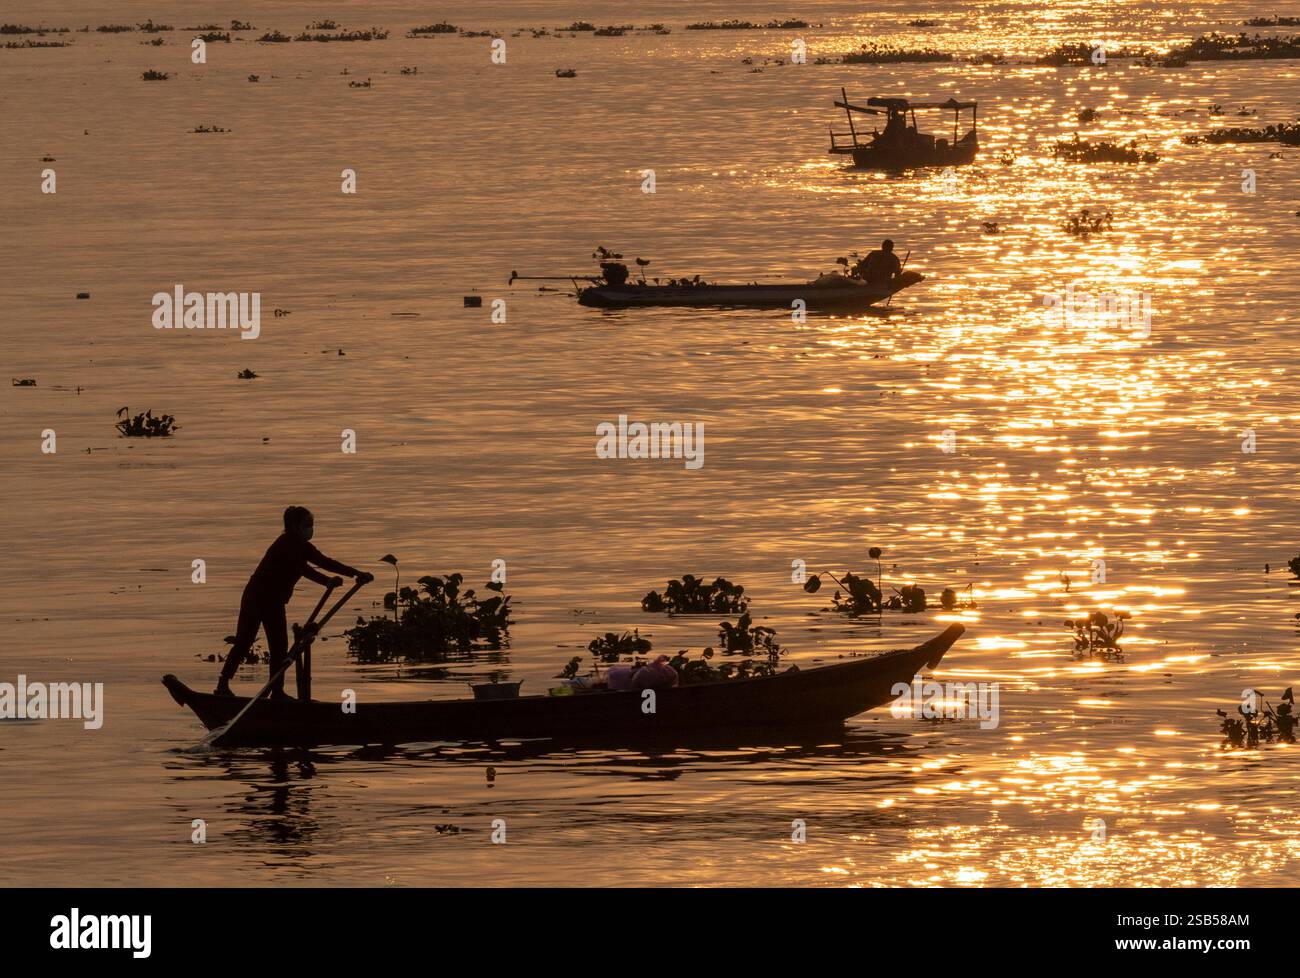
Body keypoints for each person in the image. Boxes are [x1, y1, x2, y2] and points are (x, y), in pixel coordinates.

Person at [215, 506, 373, 698]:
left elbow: (325, 561)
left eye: (312, 525)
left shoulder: (303, 546)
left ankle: (276, 691)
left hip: (274, 601)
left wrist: (356, 573)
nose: (311, 529)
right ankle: (223, 685)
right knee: (244, 641)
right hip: (257, 598)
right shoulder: (285, 544)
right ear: (295, 526)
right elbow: (302, 568)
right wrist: (327, 581)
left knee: (279, 647)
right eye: (307, 525)